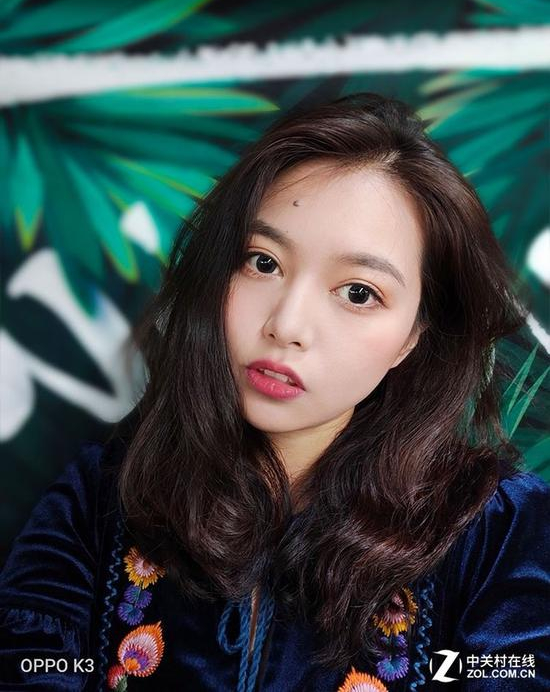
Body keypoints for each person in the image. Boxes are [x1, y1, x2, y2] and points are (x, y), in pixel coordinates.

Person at [0, 93, 548, 692]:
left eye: (358, 293)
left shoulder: (498, 533)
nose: (286, 325)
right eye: (263, 263)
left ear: (413, 336)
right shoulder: (104, 497)